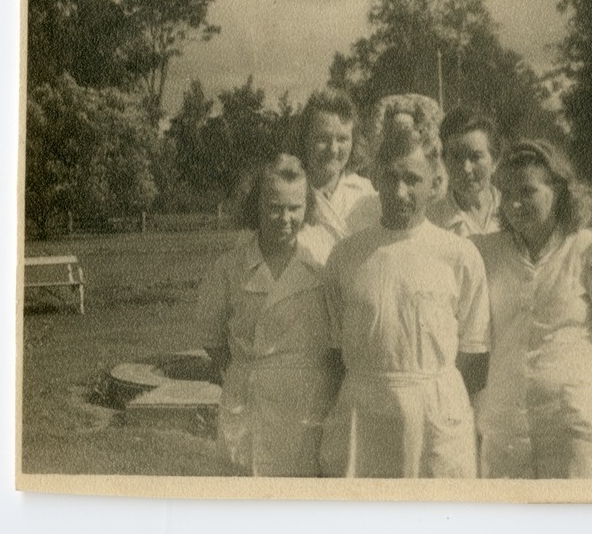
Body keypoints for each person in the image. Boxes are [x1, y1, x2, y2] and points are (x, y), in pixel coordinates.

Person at [319, 116, 490, 478]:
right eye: (391, 177)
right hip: (363, 420)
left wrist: (428, 395)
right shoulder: (346, 256)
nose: (399, 192)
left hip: (435, 421)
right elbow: (336, 353)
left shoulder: (459, 255)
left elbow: (474, 361)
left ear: (434, 183)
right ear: (377, 179)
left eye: (412, 179)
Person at [473, 139, 592, 479]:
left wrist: (572, 370)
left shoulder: (590, 251)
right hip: (507, 420)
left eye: (528, 191)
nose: (515, 203)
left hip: (575, 422)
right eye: (506, 193)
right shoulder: (484, 253)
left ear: (559, 192)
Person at [197, 152, 340, 477]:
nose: (285, 218)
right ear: (255, 206)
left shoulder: (322, 260)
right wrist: (249, 371)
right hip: (249, 402)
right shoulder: (230, 268)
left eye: (295, 207)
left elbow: (337, 335)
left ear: (308, 208)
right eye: (274, 207)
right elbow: (212, 339)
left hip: (307, 400)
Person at [299, 90, 380, 241]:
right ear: (305, 138)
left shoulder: (366, 191)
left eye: (342, 139)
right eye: (322, 139)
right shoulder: (289, 188)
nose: (333, 149)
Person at [429, 108, 501, 237]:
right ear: (444, 161)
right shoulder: (432, 223)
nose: (466, 168)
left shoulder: (513, 212)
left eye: (475, 157)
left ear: (495, 160)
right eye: (456, 157)